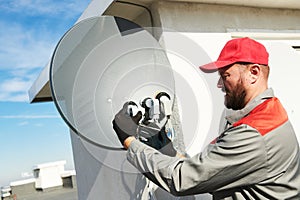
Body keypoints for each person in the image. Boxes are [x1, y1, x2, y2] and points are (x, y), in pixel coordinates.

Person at [112, 37, 300, 199]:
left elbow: (182, 179)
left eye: (225, 75)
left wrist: (130, 142)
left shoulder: (254, 133)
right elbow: (213, 168)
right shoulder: (267, 111)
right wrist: (170, 151)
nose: (219, 84)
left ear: (254, 73)